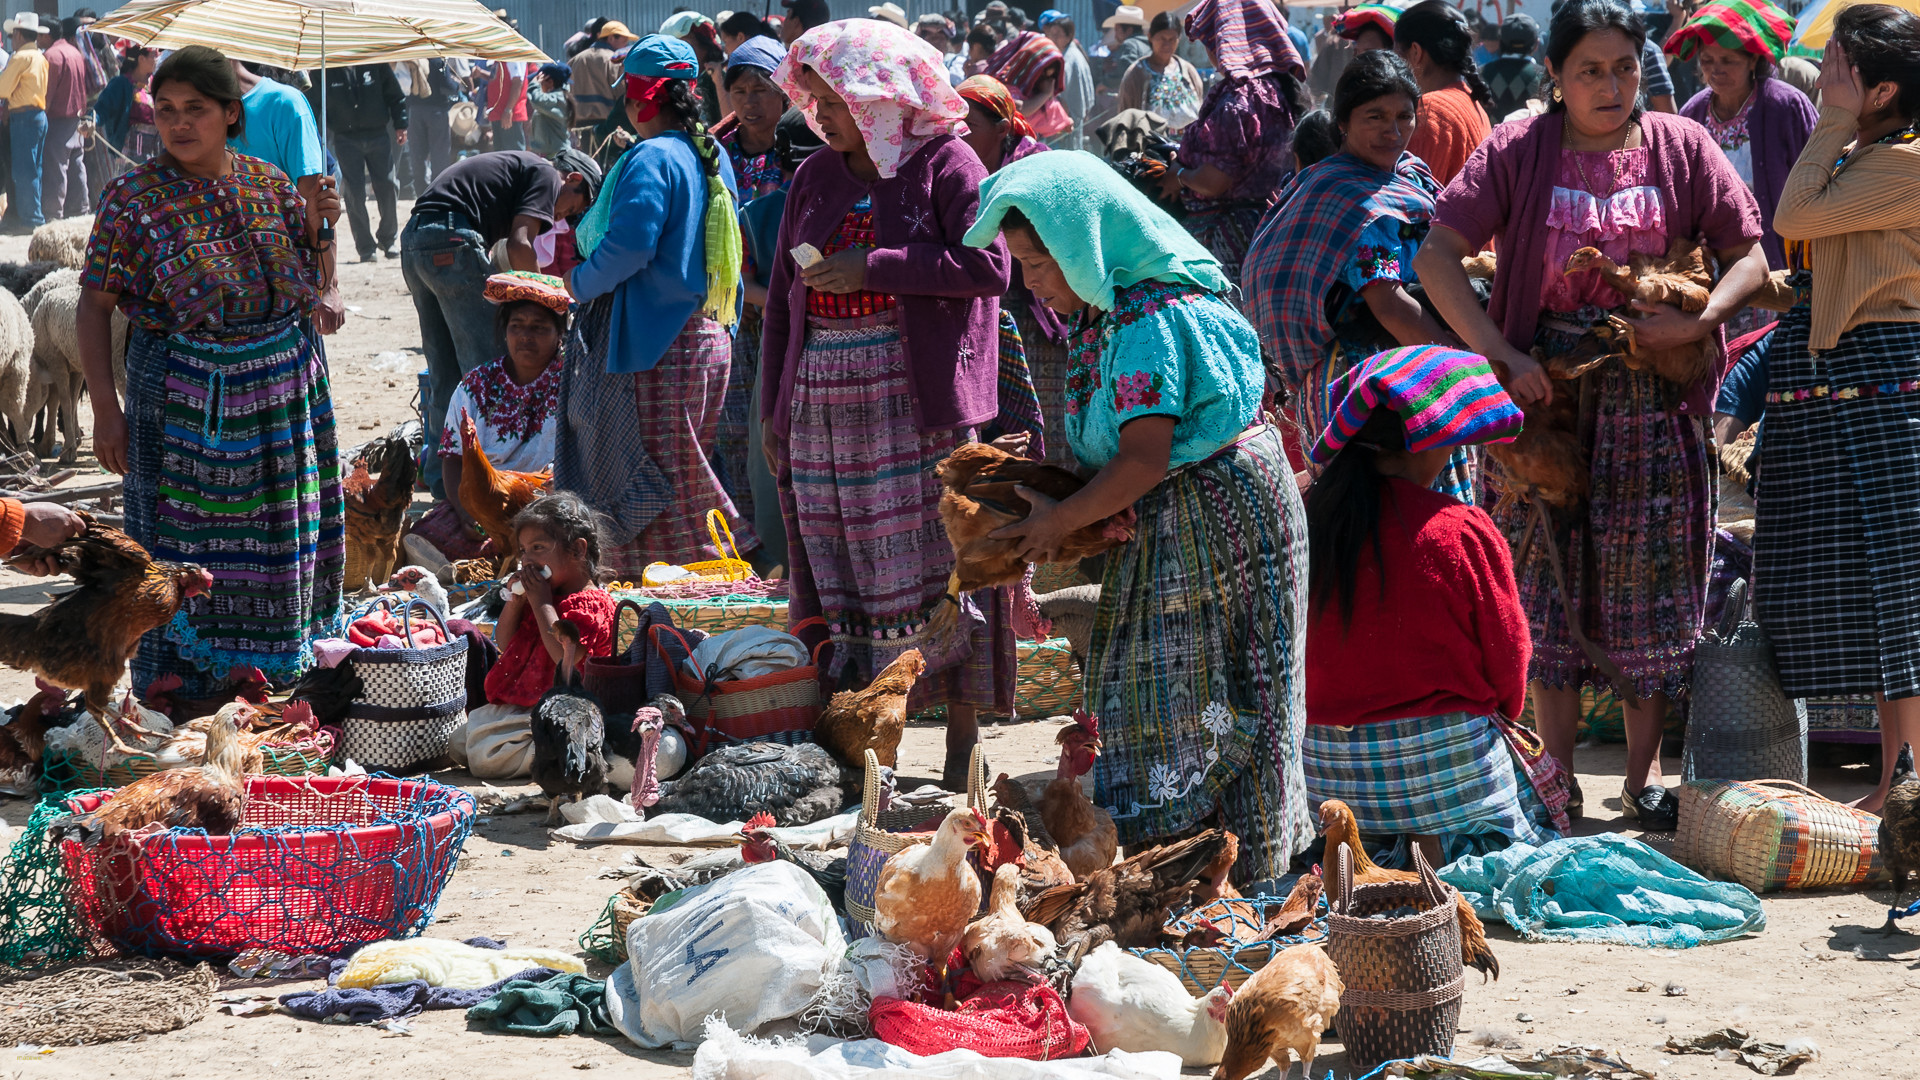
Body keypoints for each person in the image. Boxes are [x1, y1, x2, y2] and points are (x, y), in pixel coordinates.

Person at [1414, 0, 1766, 831]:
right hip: (1548, 410)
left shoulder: (1682, 148)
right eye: (1590, 71)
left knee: (1651, 595)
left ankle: (1641, 782)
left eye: (1625, 68)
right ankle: (1560, 779)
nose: (1611, 87)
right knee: (1545, 587)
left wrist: (1701, 318)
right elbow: (1435, 256)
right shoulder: (1518, 150)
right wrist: (1502, 354)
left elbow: (1749, 252)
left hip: (1654, 405)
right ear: (1555, 78)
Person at [964, 152, 1310, 887]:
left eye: (1039, 263)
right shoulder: (1106, 312)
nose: (1032, 283)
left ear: (1084, 246)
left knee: (1217, 690)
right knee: (1167, 689)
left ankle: (1230, 872)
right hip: (1174, 513)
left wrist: (1058, 525)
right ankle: (1183, 866)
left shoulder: (1150, 318)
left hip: (1217, 522)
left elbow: (1144, 460)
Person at [764, 20, 1015, 789]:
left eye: (833, 100)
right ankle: (864, 742)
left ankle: (961, 744)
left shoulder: (948, 162)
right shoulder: (814, 177)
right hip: (824, 404)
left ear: (880, 96)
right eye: (815, 100)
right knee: (844, 565)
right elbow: (782, 300)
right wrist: (776, 408)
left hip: (917, 401)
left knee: (938, 566)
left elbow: (989, 264)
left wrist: (871, 265)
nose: (820, 114)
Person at [77, 45, 346, 691]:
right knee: (182, 554)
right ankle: (182, 689)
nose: (177, 122)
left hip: (285, 395)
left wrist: (321, 230)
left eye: (195, 109)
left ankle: (276, 675)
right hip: (182, 403)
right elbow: (93, 306)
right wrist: (106, 412)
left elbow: (311, 287)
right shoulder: (132, 199)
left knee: (287, 534)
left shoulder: (268, 182)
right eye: (165, 109)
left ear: (231, 112)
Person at [1753, 4, 1920, 815]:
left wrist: (1829, 124)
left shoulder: (1905, 163)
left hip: (1892, 386)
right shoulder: (1875, 153)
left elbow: (1792, 219)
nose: (1828, 79)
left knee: (1904, 595)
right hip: (1862, 383)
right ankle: (1900, 785)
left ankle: (1909, 786)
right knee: (1887, 600)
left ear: (1882, 88)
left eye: (1844, 68)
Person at [1302, 345, 1563, 861]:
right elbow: (1510, 662)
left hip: (1327, 787)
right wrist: (1500, 725)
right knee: (1547, 788)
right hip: (1450, 780)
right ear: (1426, 443)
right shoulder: (1460, 530)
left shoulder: (1306, 523)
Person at [557, 35, 755, 575]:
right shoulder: (710, 155)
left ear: (642, 100)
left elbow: (632, 244)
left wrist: (577, 282)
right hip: (706, 339)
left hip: (657, 344)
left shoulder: (652, 156)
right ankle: (673, 590)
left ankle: (733, 562)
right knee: (681, 472)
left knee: (663, 479)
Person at [1245, 51, 1476, 501]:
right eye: (1375, 116)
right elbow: (1389, 304)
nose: (1392, 131)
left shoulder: (1408, 175)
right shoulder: (1351, 197)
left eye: (1404, 116)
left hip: (1404, 357)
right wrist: (1460, 362)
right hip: (1368, 382)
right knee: (1389, 514)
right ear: (1344, 122)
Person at [403, 150, 597, 496]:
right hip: (452, 237)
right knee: (489, 368)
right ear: (574, 179)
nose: (563, 217)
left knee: (444, 368)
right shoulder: (548, 175)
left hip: (416, 240)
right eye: (573, 208)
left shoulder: (523, 172)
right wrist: (546, 302)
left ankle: (439, 481)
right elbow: (520, 243)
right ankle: (488, 481)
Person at [410, 272, 569, 563]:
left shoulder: (574, 383)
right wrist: (468, 513)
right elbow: (453, 457)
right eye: (516, 326)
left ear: (559, 333)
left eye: (539, 328)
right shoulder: (476, 385)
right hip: (486, 505)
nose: (525, 336)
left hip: (548, 502)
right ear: (504, 331)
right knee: (425, 535)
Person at [457, 492, 616, 781]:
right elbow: (505, 643)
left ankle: (561, 757)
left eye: (538, 548)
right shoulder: (544, 595)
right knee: (457, 741)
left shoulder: (591, 604)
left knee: (484, 758)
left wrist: (541, 602)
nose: (528, 560)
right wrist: (516, 601)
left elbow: (563, 658)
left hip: (565, 715)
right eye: (523, 551)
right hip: (523, 709)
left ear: (578, 550)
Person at [733, 108, 827, 572]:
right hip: (789, 340)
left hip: (801, 343)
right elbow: (740, 283)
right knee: (777, 457)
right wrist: (791, 300)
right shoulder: (759, 215)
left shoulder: (763, 211)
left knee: (780, 461)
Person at [1161, 0, 1309, 290]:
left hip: (1227, 241)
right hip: (1271, 230)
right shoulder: (1285, 92)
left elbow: (1215, 180)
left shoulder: (1238, 100)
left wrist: (1178, 176)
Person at [1667, 1, 1817, 276]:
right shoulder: (1693, 113)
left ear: (1752, 60)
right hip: (1716, 264)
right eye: (1708, 60)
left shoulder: (1786, 107)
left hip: (1784, 262)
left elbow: (1818, 182)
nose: (1716, 70)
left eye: (1728, 61)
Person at [229, 61, 345, 335]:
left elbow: (319, 206)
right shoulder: (195, 118)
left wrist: (328, 286)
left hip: (288, 291)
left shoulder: (285, 105)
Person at [311, 63, 408, 263]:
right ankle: (365, 247)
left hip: (378, 134)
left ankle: (388, 239)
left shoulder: (375, 64)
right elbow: (313, 105)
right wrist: (313, 134)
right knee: (354, 193)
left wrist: (401, 124)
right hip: (345, 138)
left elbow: (395, 94)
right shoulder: (325, 71)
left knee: (388, 184)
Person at [1394, 0, 1493, 185]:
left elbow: (1413, 202)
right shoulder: (1471, 100)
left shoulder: (1431, 109)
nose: (1395, 68)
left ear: (1415, 52)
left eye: (1398, 56)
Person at [715, 37, 789, 200]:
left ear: (783, 92)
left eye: (760, 90)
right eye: (739, 92)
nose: (749, 103)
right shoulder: (718, 152)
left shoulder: (802, 147)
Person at [1118, 11, 1206, 131]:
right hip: (1150, 147)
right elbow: (1126, 116)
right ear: (1150, 37)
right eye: (1162, 38)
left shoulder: (1188, 71)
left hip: (1189, 146)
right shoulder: (1136, 73)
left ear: (1179, 39)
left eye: (1172, 39)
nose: (1167, 44)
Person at [0, 14, 48, 232]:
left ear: (18, 34)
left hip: (23, 118)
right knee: (33, 169)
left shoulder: (20, 57)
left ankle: (31, 221)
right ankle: (33, 215)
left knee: (23, 172)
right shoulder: (39, 56)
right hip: (37, 115)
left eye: (12, 35)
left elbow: (3, 88)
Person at [983, 23, 1068, 135]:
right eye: (1043, 73)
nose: (1049, 81)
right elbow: (1019, 109)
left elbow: (1056, 114)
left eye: (1051, 76)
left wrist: (1066, 122)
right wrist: (1045, 94)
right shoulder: (1005, 84)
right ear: (1030, 64)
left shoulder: (1032, 93)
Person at [40, 18, 86, 222]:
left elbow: (47, 94)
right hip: (76, 119)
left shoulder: (51, 55)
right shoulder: (75, 51)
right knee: (77, 166)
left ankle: (53, 214)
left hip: (57, 120)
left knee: (55, 169)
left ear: (46, 35)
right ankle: (80, 210)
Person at [95, 44, 158, 179]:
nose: (157, 59)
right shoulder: (121, 84)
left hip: (154, 151)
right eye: (154, 55)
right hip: (129, 151)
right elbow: (102, 108)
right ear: (141, 59)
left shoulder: (156, 84)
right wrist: (90, 120)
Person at [661, 11, 728, 128]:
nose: (678, 52)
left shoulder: (716, 77)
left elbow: (729, 118)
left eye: (685, 45)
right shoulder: (673, 78)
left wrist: (718, 82)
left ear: (704, 45)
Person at [570, 19, 637, 128]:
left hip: (578, 125)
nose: (626, 45)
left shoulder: (576, 59)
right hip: (606, 126)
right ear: (611, 38)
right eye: (624, 41)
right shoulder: (614, 60)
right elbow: (622, 93)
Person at [1041, 12, 1093, 149]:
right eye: (1051, 34)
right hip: (1072, 117)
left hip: (1065, 121)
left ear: (1068, 37)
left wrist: (1059, 122)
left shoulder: (1067, 59)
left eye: (1057, 34)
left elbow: (1062, 97)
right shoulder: (1071, 52)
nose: (1052, 38)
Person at [1483, 13, 1544, 119]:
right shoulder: (1546, 77)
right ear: (1536, 45)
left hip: (1487, 135)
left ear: (1500, 43)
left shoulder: (1480, 74)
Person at [528, 63, 573, 156]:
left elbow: (537, 100)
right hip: (549, 153)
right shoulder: (555, 98)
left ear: (550, 82)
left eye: (541, 82)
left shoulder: (558, 99)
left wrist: (534, 85)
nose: (540, 85)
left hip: (557, 154)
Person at [1102, 5, 1152, 86]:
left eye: (1117, 30)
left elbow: (1127, 75)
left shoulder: (1129, 44)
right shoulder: (1149, 44)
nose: (1115, 36)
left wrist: (1105, 83)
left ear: (1129, 31)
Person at [487, 60, 529, 150]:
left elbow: (517, 83)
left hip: (508, 115)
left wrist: (508, 110)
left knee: (513, 155)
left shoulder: (512, 58)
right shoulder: (500, 59)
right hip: (498, 113)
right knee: (500, 156)